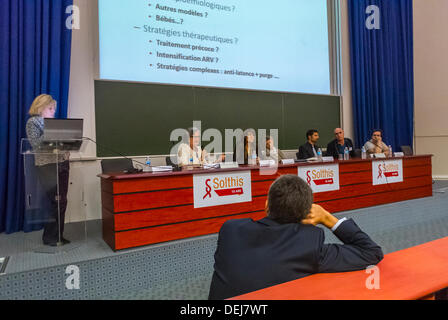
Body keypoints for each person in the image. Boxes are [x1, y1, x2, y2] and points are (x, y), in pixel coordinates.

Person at [208, 174, 383, 300]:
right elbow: (370, 252)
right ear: (307, 213)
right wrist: (327, 218)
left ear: (267, 205)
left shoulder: (230, 230)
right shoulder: (309, 244)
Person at [25, 94, 70, 246]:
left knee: (62, 201)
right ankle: (50, 237)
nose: (53, 112)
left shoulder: (53, 123)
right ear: (40, 108)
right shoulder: (33, 122)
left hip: (62, 163)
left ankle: (59, 235)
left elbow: (60, 144)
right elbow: (36, 144)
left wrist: (69, 144)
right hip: (47, 166)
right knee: (55, 201)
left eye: (54, 109)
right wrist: (57, 138)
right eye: (50, 108)